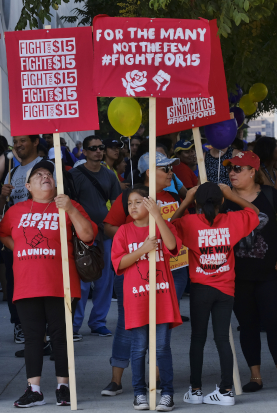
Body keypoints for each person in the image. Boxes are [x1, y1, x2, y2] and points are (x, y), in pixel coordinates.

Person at [0, 160, 97, 407]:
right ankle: (34, 389)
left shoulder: (68, 206)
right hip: (26, 284)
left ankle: (63, 387)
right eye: (38, 175)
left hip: (60, 283)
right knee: (32, 338)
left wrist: (71, 209)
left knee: (60, 337)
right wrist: (18, 248)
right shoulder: (16, 211)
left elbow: (89, 235)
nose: (45, 176)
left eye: (49, 174)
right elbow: (2, 233)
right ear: (28, 186)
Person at [101, 151, 187, 397]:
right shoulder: (130, 197)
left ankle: (157, 381)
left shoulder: (172, 196)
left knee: (162, 327)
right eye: (165, 168)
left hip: (172, 270)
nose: (171, 173)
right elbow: (109, 226)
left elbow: (175, 233)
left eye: (171, 168)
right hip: (135, 274)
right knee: (130, 326)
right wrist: (137, 242)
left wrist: (185, 201)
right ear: (150, 172)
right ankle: (118, 379)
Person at [172, 182, 259, 406]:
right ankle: (227, 391)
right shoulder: (232, 220)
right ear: (222, 201)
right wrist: (232, 195)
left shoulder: (189, 222)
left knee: (197, 339)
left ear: (197, 203)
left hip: (201, 288)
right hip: (226, 288)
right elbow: (255, 213)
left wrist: (186, 200)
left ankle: (196, 390)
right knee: (223, 339)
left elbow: (170, 227)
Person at [222, 151, 277, 393]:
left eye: (238, 168)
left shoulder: (269, 195)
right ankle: (255, 377)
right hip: (238, 275)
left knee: (275, 323)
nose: (232, 172)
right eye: (230, 168)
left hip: (271, 272)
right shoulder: (224, 199)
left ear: (252, 171)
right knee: (247, 325)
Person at [110, 186, 182, 412]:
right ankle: (139, 393)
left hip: (161, 297)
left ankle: (167, 393)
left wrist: (158, 217)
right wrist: (143, 249)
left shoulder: (160, 226)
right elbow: (119, 263)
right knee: (138, 348)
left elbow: (172, 246)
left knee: (161, 348)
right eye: (130, 203)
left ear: (149, 203)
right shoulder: (123, 231)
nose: (132, 206)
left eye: (138, 202)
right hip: (137, 299)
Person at [0, 135, 43, 345]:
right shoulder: (12, 171)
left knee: (40, 283)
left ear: (35, 142)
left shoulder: (46, 166)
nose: (18, 145)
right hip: (16, 238)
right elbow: (2, 208)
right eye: (16, 141)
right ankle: (20, 326)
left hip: (39, 238)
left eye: (24, 140)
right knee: (16, 283)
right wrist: (2, 199)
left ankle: (44, 330)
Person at [70, 136, 122, 340]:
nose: (98, 151)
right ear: (84, 151)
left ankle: (98, 322)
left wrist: (111, 225)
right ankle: (74, 324)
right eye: (93, 148)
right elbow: (70, 205)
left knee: (105, 280)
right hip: (82, 235)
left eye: (101, 147)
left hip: (105, 234)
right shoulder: (74, 175)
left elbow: (117, 204)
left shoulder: (110, 175)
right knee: (82, 280)